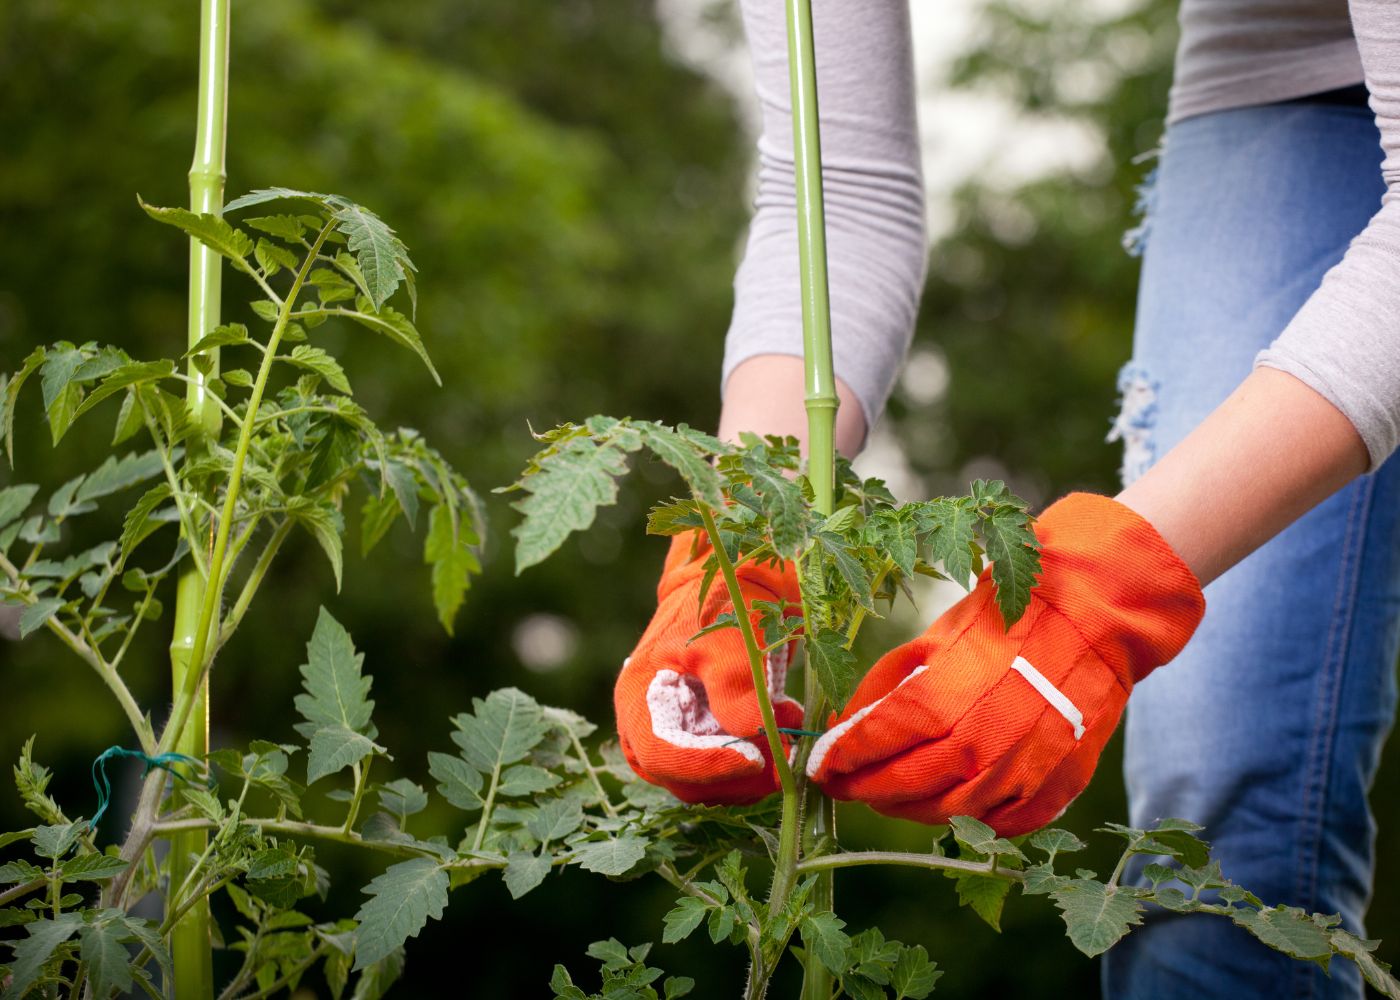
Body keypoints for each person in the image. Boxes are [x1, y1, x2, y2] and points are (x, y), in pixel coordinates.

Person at [613, 2, 1400, 997]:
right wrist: (740, 541)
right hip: (1274, 53)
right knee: (1216, 810)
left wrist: (1098, 596)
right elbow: (835, 195)